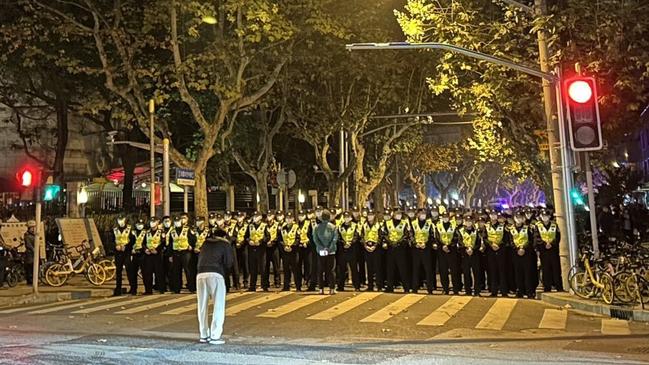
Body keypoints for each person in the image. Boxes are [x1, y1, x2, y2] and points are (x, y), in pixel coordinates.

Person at [196, 226, 234, 345]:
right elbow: (229, 263)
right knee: (218, 305)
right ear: (224, 236)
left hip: (200, 274)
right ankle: (215, 336)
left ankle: (203, 334)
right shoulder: (225, 244)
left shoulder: (205, 243)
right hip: (216, 274)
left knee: (202, 306)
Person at [508, 211, 536, 299]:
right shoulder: (511, 229)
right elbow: (510, 241)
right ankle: (520, 291)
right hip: (515, 253)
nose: (519, 219)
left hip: (526, 253)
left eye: (520, 217)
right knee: (518, 273)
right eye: (517, 217)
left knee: (527, 273)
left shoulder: (528, 228)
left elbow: (531, 240)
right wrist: (517, 249)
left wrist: (523, 248)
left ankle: (529, 291)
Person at [383, 207, 411, 293]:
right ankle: (390, 286)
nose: (399, 215)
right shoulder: (387, 223)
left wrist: (399, 242)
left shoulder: (404, 223)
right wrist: (389, 242)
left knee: (403, 268)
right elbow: (384, 234)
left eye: (400, 214)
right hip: (391, 248)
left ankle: (406, 287)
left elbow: (406, 235)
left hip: (400, 249)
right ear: (393, 214)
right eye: (397, 214)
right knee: (390, 268)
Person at [535, 209, 563, 292]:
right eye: (543, 216)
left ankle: (558, 286)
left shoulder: (554, 225)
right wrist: (544, 244)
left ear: (549, 217)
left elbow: (558, 237)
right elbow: (537, 237)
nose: (545, 217)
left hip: (553, 249)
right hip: (543, 250)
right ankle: (547, 287)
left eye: (546, 216)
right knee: (545, 269)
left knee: (556, 268)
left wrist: (552, 243)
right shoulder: (538, 226)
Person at [483, 211, 509, 297]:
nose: (493, 216)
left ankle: (504, 291)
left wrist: (499, 245)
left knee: (502, 271)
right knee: (492, 271)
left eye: (495, 215)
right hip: (490, 251)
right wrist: (491, 244)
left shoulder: (502, 226)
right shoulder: (486, 226)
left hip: (500, 250)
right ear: (489, 216)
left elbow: (506, 238)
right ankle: (494, 291)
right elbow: (485, 238)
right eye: (492, 215)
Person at [456, 213, 483, 296]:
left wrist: (473, 249)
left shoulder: (477, 231)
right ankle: (468, 290)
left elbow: (479, 242)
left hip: (474, 254)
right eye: (467, 221)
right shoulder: (461, 231)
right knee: (466, 273)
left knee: (476, 273)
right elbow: (460, 242)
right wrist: (466, 248)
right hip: (465, 254)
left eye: (470, 221)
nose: (468, 222)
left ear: (473, 221)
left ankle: (477, 290)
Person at [410, 209, 435, 294]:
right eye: (421, 213)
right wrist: (415, 243)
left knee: (428, 269)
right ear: (418, 214)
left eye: (424, 213)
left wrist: (426, 244)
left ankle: (430, 288)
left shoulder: (429, 224)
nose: (422, 215)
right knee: (415, 269)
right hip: (416, 249)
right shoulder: (413, 224)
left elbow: (432, 236)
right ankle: (414, 288)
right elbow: (411, 235)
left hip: (426, 249)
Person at [313, 209, 338, 295]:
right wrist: (329, 248)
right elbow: (334, 239)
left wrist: (321, 247)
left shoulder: (316, 227)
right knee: (330, 270)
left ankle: (321, 289)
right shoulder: (333, 227)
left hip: (320, 251)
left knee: (320, 270)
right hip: (331, 251)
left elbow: (315, 239)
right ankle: (332, 288)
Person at [337, 212, 361, 292]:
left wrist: (350, 243)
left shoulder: (355, 225)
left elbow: (356, 236)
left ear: (351, 217)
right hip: (343, 250)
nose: (346, 218)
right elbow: (338, 237)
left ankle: (357, 286)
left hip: (352, 250)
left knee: (354, 269)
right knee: (342, 269)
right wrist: (344, 243)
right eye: (345, 217)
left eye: (348, 217)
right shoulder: (340, 226)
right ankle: (340, 286)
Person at [361, 210, 383, 292]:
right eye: (369, 215)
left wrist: (375, 246)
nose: (370, 217)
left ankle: (379, 285)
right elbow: (362, 236)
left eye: (371, 215)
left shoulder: (378, 225)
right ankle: (370, 285)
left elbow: (380, 237)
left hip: (376, 248)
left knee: (377, 268)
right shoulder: (365, 225)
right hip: (367, 248)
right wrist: (365, 245)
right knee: (369, 268)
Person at [112, 216, 134, 296]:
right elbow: (112, 240)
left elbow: (132, 241)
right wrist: (115, 246)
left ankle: (132, 288)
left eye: (122, 220)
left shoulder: (129, 229)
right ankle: (118, 288)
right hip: (118, 253)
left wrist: (126, 247)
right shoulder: (115, 230)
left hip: (126, 252)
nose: (120, 221)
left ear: (125, 220)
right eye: (119, 220)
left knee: (129, 270)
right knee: (118, 271)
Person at [247, 211, 268, 292]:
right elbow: (246, 236)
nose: (255, 218)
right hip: (252, 249)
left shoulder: (264, 226)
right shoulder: (250, 226)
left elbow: (267, 237)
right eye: (254, 216)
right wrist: (249, 241)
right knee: (253, 268)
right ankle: (252, 286)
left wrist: (261, 241)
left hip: (261, 249)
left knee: (263, 268)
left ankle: (264, 285)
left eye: (256, 216)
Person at [279, 212, 301, 291]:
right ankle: (286, 286)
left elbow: (298, 239)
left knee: (296, 269)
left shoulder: (296, 227)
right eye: (287, 218)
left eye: (290, 218)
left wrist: (292, 247)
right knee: (286, 269)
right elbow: (280, 239)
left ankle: (298, 286)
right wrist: (284, 246)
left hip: (294, 251)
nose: (288, 220)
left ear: (293, 219)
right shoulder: (283, 228)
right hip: (285, 251)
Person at [143, 217, 163, 295]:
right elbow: (143, 243)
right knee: (148, 273)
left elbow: (163, 242)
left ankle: (161, 289)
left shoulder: (161, 232)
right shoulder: (147, 232)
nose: (152, 223)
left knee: (159, 272)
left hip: (157, 254)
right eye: (151, 222)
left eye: (154, 222)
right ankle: (148, 290)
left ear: (157, 223)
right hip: (149, 254)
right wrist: (145, 249)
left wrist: (157, 250)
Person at [128, 218, 147, 295]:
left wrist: (144, 249)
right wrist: (131, 250)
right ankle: (133, 289)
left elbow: (147, 242)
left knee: (145, 273)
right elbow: (130, 242)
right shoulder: (133, 233)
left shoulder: (146, 232)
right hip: (134, 254)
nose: (139, 226)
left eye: (141, 224)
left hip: (143, 254)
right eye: (138, 224)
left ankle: (147, 289)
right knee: (133, 273)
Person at [23, 220, 36, 286]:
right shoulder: (27, 235)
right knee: (30, 266)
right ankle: (30, 280)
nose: (33, 229)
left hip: (34, 253)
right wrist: (34, 250)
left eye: (34, 227)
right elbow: (28, 245)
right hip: (30, 253)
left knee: (34, 266)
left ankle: (33, 280)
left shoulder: (34, 235)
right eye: (32, 227)